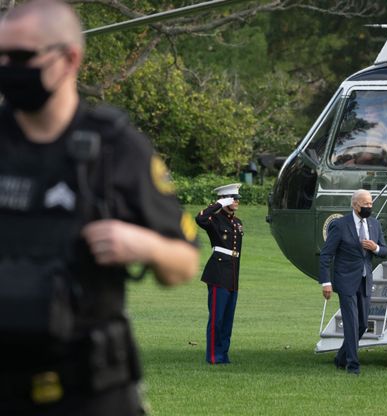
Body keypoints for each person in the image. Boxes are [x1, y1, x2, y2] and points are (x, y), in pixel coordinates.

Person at [0, 1, 199, 415]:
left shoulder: (116, 149)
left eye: (20, 57)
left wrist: (144, 245)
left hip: (93, 393)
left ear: (69, 58)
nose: (7, 67)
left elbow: (182, 263)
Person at [319, 189, 387, 375]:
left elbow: (385, 250)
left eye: (371, 203)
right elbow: (326, 255)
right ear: (355, 205)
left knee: (362, 324)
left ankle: (340, 358)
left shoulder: (374, 224)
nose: (369, 207)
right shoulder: (340, 225)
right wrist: (326, 282)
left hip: (365, 279)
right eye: (365, 204)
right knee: (350, 322)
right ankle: (353, 365)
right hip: (345, 280)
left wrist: (376, 247)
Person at [195, 183, 243, 364]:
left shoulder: (238, 223)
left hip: (232, 274)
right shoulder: (214, 219)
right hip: (217, 272)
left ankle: (224, 354)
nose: (237, 201)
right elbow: (199, 219)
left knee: (228, 319)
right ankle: (214, 356)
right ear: (225, 200)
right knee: (217, 318)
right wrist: (218, 204)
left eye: (237, 198)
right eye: (233, 198)